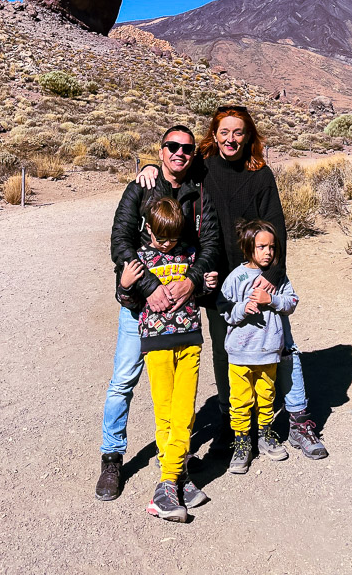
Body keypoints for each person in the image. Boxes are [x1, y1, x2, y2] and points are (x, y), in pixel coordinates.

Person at [139, 106, 328, 460]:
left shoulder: (261, 175)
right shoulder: (203, 167)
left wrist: (270, 280)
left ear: (249, 136)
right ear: (214, 134)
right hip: (215, 279)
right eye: (224, 132)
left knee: (282, 346)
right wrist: (151, 166)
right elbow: (171, 172)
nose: (231, 139)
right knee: (226, 349)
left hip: (260, 276)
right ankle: (233, 421)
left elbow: (277, 229)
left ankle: (294, 420)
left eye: (238, 132)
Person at [95, 125, 219, 502]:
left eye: (187, 148)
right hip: (141, 308)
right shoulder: (141, 187)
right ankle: (112, 457)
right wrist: (149, 290)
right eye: (172, 147)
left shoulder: (201, 193)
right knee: (123, 380)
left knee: (174, 397)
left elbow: (209, 244)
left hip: (180, 310)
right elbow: (121, 241)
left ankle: (175, 466)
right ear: (161, 150)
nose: (179, 153)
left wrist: (191, 283)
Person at [117, 197, 217, 520]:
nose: (166, 244)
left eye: (172, 238)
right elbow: (129, 300)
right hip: (157, 345)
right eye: (160, 238)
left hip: (189, 342)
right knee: (165, 413)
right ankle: (172, 482)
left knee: (184, 411)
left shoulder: (189, 256)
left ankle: (171, 480)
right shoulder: (140, 260)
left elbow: (197, 291)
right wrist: (125, 285)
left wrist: (204, 283)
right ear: (148, 229)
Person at [217, 220, 298, 474]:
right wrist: (243, 309)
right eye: (261, 246)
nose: (268, 252)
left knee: (267, 396)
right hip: (240, 354)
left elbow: (292, 302)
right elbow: (225, 309)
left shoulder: (277, 278)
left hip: (269, 351)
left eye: (272, 247)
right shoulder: (236, 278)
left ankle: (265, 434)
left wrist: (270, 299)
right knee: (240, 400)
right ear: (247, 247)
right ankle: (242, 442)